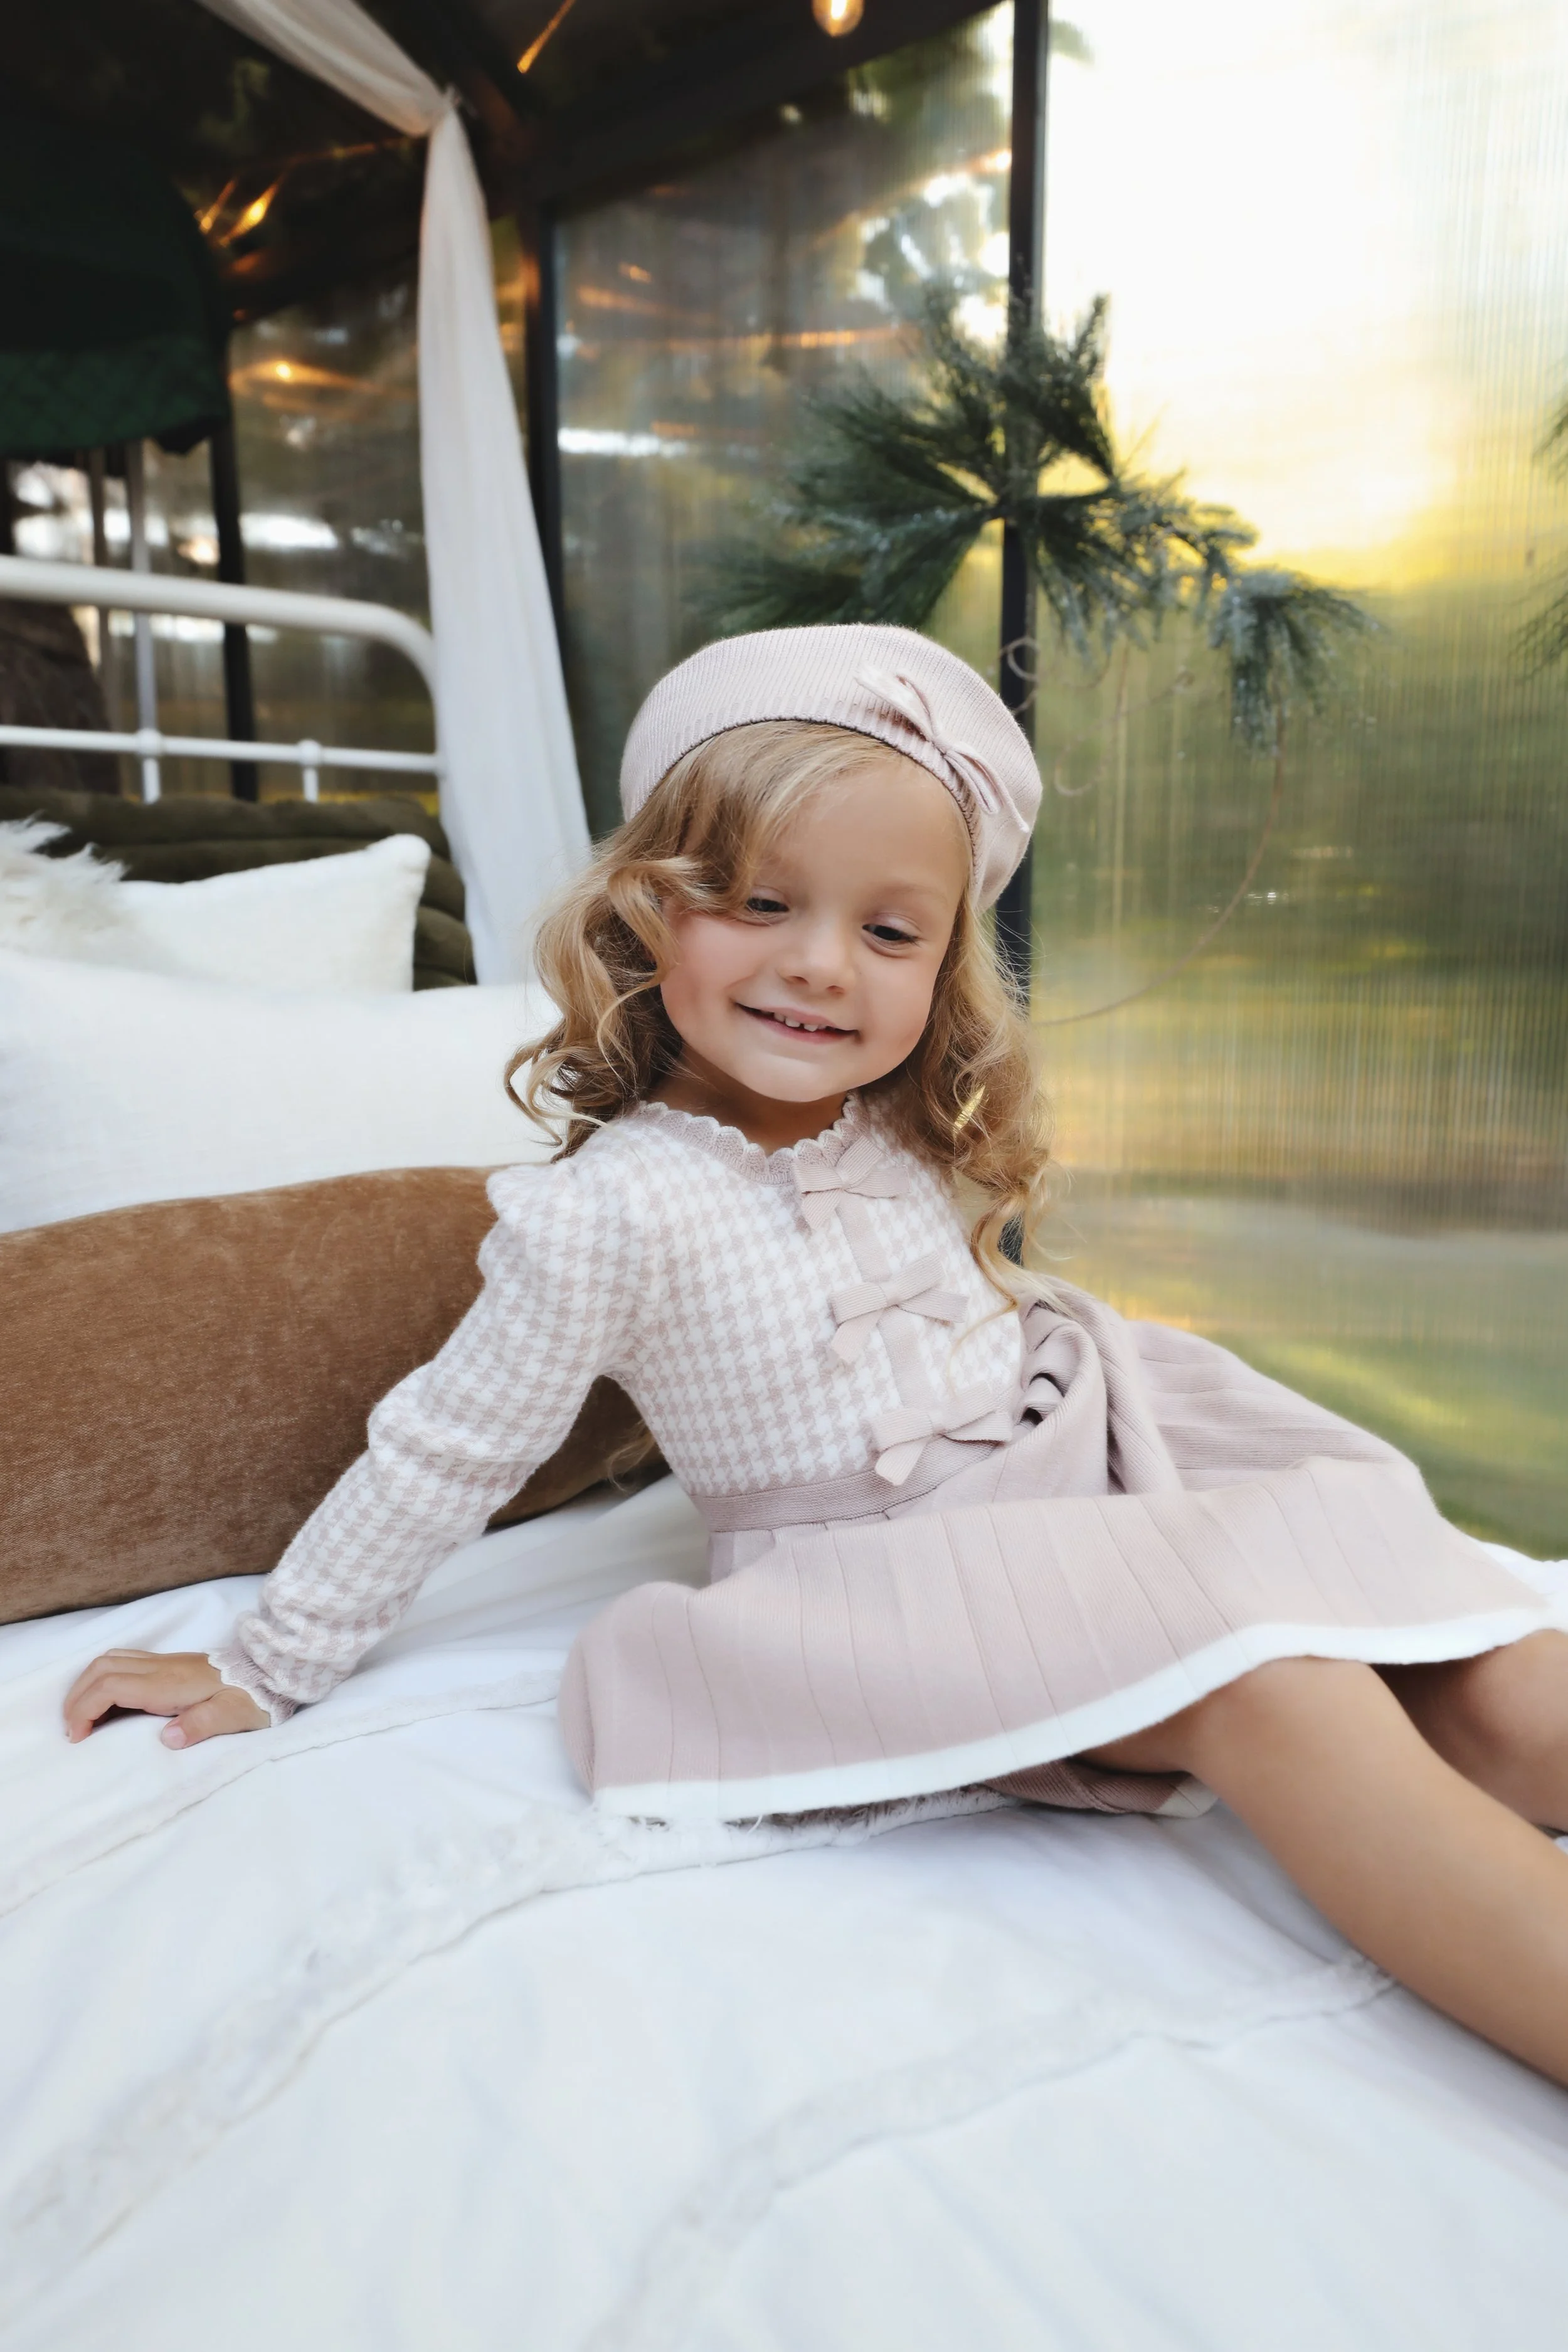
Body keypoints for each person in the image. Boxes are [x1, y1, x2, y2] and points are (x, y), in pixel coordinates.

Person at [64, 623, 1568, 2083]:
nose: (822, 966)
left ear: (942, 966)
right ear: (650, 909)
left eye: (888, 930)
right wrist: (268, 1662)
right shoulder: (608, 1212)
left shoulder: (898, 1120)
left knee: (1474, 1658)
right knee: (1276, 1688)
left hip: (1078, 1445)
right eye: (759, 903)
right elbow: (450, 1443)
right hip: (888, 1579)